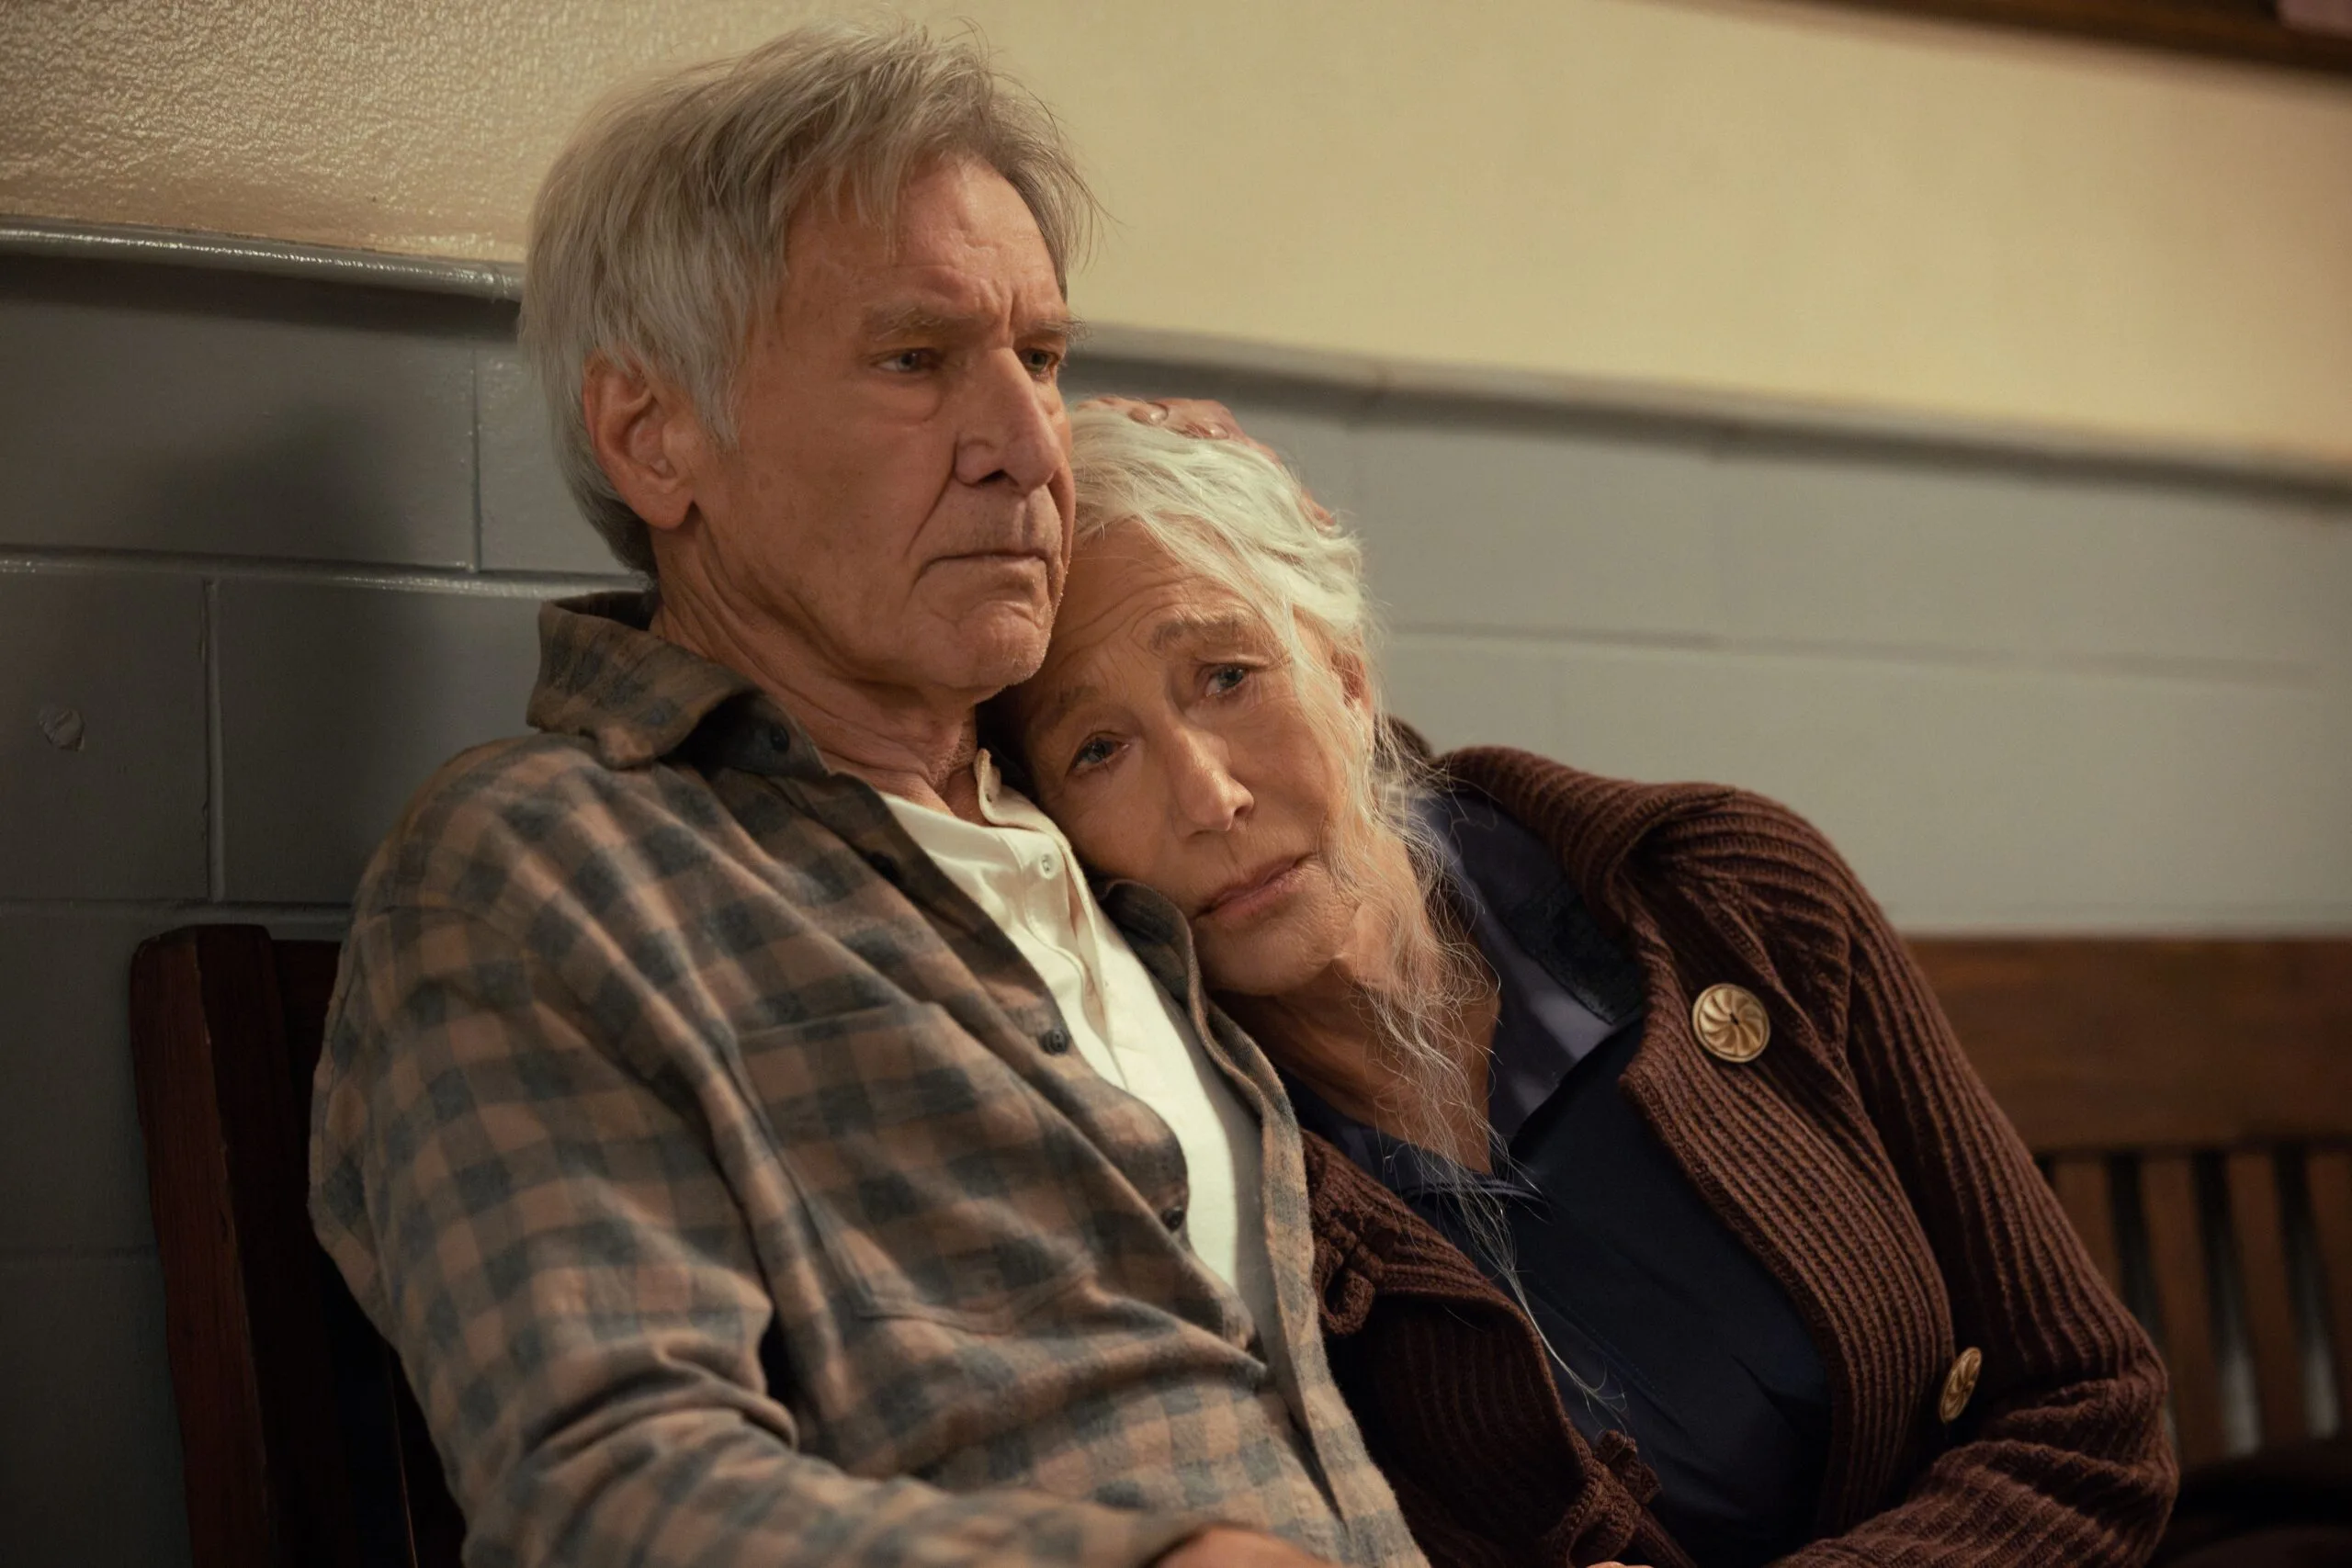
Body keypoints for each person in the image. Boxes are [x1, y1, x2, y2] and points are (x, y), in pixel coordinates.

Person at [308, 25, 1428, 1568]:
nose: (1031, 447)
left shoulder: (1085, 800)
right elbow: (609, 1494)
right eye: (916, 361)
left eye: (1041, 358)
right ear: (654, 435)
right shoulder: (544, 868)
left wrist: (1279, 604)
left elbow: (1407, 869)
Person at [992, 400, 2180, 1568]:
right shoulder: (1195, 1176)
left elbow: (2090, 1407)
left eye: (1228, 673)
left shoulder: (1721, 893)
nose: (1207, 796)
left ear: (1347, 672)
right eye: (1097, 748)